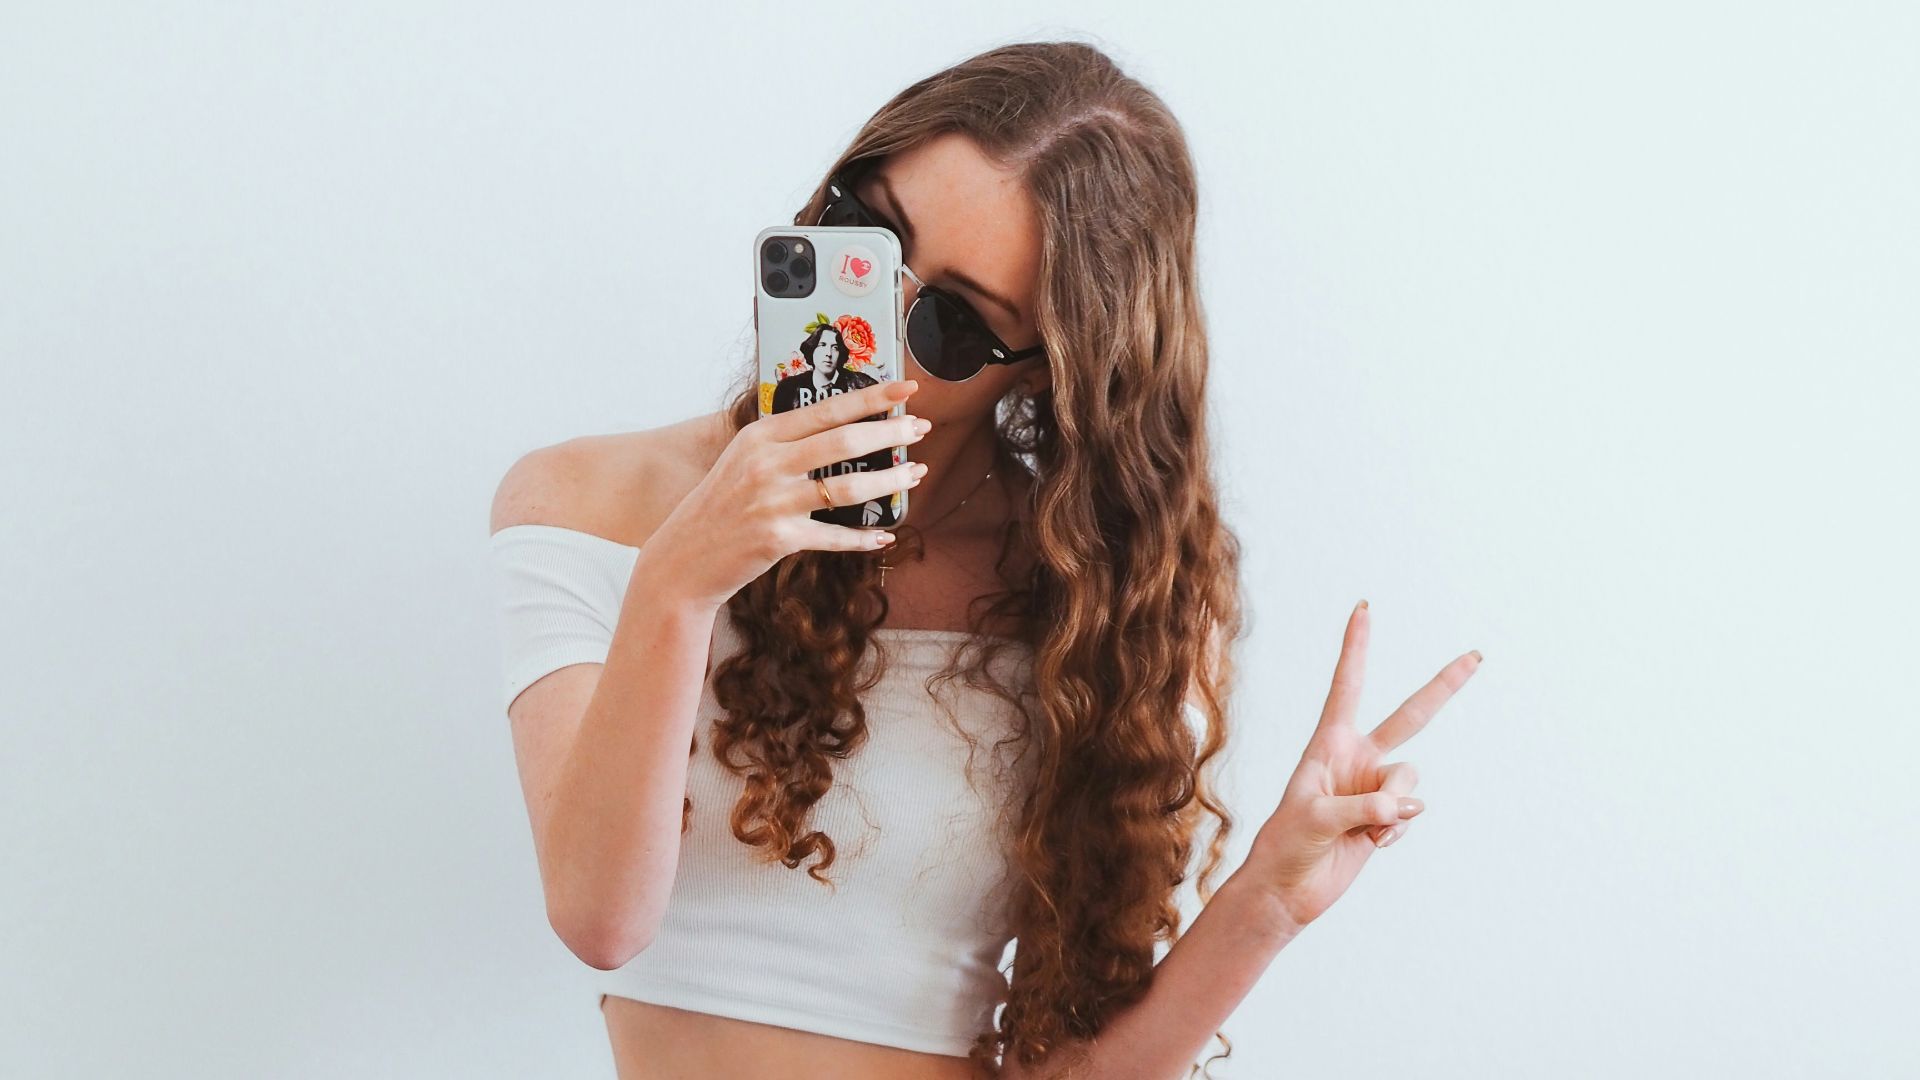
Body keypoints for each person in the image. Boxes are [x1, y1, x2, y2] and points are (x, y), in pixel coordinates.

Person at [488, 40, 1480, 1080]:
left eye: (952, 322)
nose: (872, 327)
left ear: (1047, 369)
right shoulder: (582, 504)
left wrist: (1268, 900)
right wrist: (680, 582)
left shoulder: (1098, 609)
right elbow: (600, 918)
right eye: (864, 236)